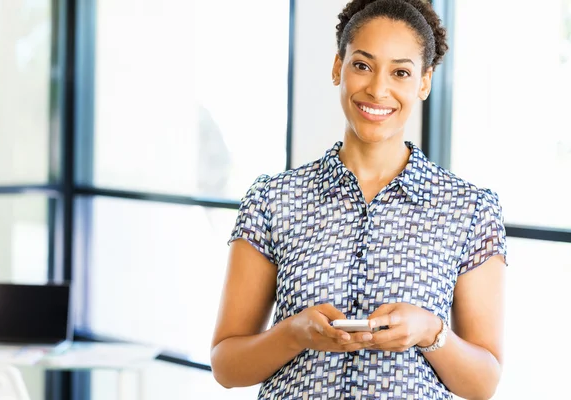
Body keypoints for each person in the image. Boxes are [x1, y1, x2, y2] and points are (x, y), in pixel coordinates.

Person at [210, 0, 507, 398]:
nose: (378, 89)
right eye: (362, 65)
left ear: (424, 82)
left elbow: (483, 382)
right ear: (338, 68)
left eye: (400, 72)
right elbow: (227, 366)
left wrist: (431, 332)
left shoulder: (470, 210)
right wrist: (293, 334)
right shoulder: (272, 199)